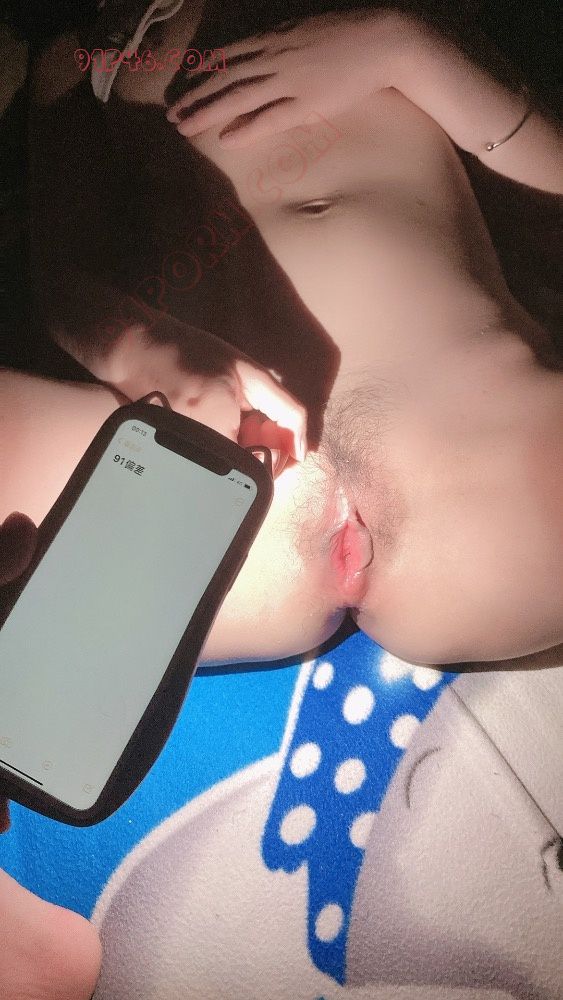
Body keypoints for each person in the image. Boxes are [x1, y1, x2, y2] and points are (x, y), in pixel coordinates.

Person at [15, 3, 562, 666]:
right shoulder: (84, 65)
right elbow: (62, 279)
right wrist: (136, 347)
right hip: (230, 474)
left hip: (464, 527)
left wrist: (403, 46)